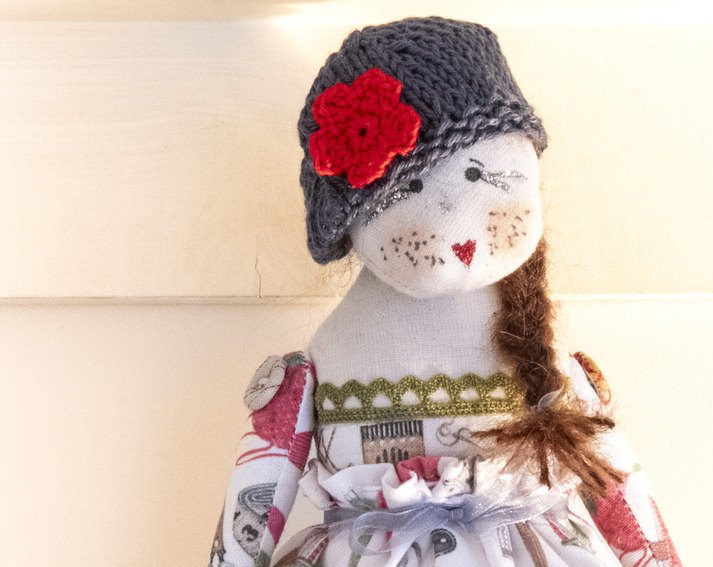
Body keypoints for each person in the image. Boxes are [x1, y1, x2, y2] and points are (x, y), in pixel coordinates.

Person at [209, 16, 679, 567]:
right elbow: (256, 499)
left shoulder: (542, 357)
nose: (460, 236)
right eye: (411, 187)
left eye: (483, 179)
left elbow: (613, 483)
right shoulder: (320, 363)